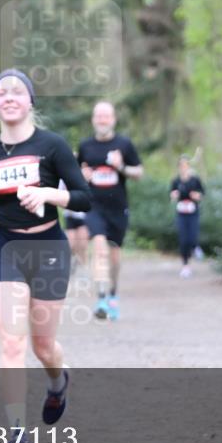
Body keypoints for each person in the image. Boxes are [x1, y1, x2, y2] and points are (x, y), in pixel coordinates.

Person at [0, 68, 91, 443]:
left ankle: (58, 380)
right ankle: (17, 431)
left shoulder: (52, 146)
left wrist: (48, 194)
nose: (10, 97)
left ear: (31, 101)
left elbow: (83, 197)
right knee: (11, 340)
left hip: (49, 246)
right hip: (7, 248)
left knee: (43, 345)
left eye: (18, 91)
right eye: (2, 92)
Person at [77, 101, 143, 320]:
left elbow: (139, 172)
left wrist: (121, 166)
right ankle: (102, 297)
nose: (102, 120)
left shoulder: (124, 144)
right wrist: (81, 177)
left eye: (106, 116)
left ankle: (113, 294)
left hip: (118, 207)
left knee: (114, 255)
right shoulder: (85, 146)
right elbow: (77, 173)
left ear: (113, 119)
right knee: (99, 248)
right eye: (98, 116)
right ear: (93, 120)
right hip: (94, 206)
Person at [170, 155, 205, 278]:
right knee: (183, 240)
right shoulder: (176, 181)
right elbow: (172, 195)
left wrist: (197, 196)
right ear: (179, 167)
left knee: (193, 236)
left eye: (185, 165)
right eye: (181, 165)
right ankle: (185, 266)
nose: (183, 167)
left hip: (193, 213)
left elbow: (202, 194)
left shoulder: (195, 180)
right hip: (181, 213)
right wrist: (174, 196)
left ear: (188, 166)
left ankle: (195, 247)